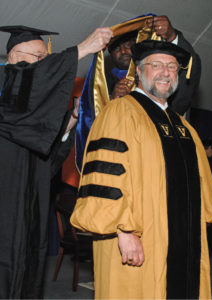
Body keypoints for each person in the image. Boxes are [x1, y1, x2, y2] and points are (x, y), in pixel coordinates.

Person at [70, 40, 212, 299]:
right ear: (138, 71)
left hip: (181, 239)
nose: (166, 72)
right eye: (157, 65)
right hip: (137, 236)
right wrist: (124, 230)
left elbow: (202, 182)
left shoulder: (182, 126)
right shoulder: (120, 111)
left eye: (172, 67)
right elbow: (106, 174)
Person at [0, 25, 112, 299]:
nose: (44, 65)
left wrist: (72, 118)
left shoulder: (26, 107)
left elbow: (39, 143)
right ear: (15, 56)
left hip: (27, 203)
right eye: (40, 58)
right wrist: (82, 49)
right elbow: (17, 110)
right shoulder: (5, 81)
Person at [106, 15, 201, 115]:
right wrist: (111, 101)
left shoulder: (161, 79)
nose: (123, 51)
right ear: (110, 55)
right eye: (116, 48)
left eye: (128, 45)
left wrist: (171, 36)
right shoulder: (100, 84)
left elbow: (191, 68)